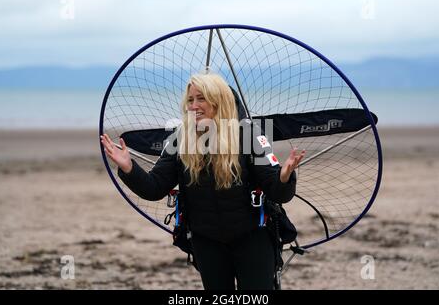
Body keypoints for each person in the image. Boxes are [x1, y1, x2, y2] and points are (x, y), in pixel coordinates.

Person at [100, 73, 305, 290]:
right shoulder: (180, 138)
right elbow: (155, 187)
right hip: (206, 240)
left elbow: (279, 193)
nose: (194, 106)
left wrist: (285, 177)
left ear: (219, 101)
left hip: (253, 237)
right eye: (190, 100)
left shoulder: (248, 134)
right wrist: (129, 168)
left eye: (201, 98)